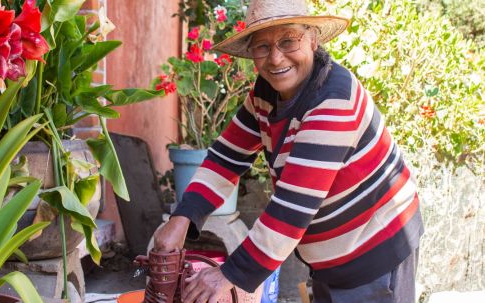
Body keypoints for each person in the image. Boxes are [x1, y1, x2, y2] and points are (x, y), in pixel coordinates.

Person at [153, 1, 424, 302]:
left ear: (312, 40)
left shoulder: (334, 101)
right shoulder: (264, 94)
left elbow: (292, 209)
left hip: (376, 244)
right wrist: (181, 219)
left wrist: (227, 274)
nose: (275, 58)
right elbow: (226, 158)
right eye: (262, 47)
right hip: (329, 257)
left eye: (288, 41)